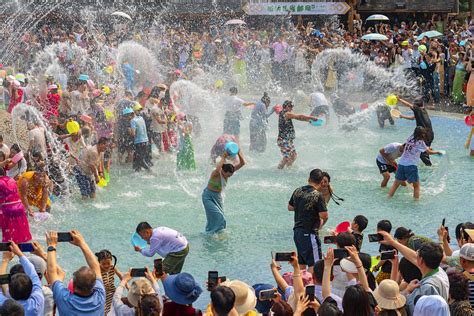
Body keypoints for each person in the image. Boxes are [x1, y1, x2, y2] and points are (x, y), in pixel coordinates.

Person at [378, 231, 449, 315]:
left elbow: (398, 305)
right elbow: (414, 257)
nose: (415, 255)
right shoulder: (440, 272)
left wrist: (407, 291)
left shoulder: (426, 288)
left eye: (417, 254)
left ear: (421, 260)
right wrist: (392, 242)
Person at [46, 230, 106, 315]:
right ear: (94, 285)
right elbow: (96, 267)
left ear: (72, 285)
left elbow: (52, 272)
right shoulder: (100, 297)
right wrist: (82, 243)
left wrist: (52, 245)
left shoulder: (64, 299)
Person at [288, 169, 328, 270]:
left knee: (302, 263)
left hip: (297, 232)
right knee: (314, 265)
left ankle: (302, 285)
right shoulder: (317, 195)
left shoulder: (298, 190)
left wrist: (302, 208)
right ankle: (312, 285)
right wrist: (321, 224)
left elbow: (290, 207)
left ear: (309, 179)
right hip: (309, 233)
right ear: (321, 181)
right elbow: (324, 215)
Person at [388, 127, 442, 199]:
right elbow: (428, 152)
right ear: (422, 134)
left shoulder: (410, 138)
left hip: (401, 164)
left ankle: (388, 198)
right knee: (416, 186)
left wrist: (426, 147)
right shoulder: (420, 143)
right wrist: (437, 152)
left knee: (395, 184)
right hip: (411, 166)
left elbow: (406, 147)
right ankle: (416, 203)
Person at [202, 149, 245, 234]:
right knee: (219, 217)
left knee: (217, 218)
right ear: (223, 171)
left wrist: (238, 152)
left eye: (231, 175)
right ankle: (210, 233)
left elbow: (242, 163)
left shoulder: (229, 170)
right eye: (227, 175)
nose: (228, 177)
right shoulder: (216, 173)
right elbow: (218, 168)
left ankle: (213, 233)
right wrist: (224, 156)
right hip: (208, 197)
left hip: (218, 197)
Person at [0, 241, 44, 315]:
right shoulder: (37, 303)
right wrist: (19, 253)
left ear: (9, 291)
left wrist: (5, 260)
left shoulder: (4, 304)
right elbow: (33, 274)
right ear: (32, 288)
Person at [277, 100, 318, 169]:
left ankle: (287, 168)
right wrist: (310, 118)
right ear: (286, 106)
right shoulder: (286, 113)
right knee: (287, 157)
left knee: (293, 156)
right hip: (283, 140)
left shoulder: (287, 114)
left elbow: (299, 118)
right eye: (290, 106)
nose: (291, 108)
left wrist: (308, 120)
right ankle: (279, 169)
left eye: (292, 107)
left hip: (288, 140)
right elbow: (298, 116)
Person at [398, 97, 434, 166]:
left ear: (416, 105)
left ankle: (429, 165)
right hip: (429, 134)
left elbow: (409, 105)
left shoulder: (417, 109)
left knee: (421, 153)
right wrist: (402, 116)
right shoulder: (423, 110)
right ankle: (429, 158)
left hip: (424, 135)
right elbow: (413, 118)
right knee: (422, 150)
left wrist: (399, 99)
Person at [0, 167, 32, 243]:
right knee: (23, 234)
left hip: (7, 210)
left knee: (8, 237)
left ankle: (9, 251)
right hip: (19, 207)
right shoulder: (12, 180)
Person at [95, 249, 123, 315]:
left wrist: (128, 287)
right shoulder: (97, 271)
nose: (106, 265)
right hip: (102, 295)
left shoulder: (112, 267)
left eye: (108, 263)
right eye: (103, 264)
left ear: (111, 261)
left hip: (112, 293)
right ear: (99, 263)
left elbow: (120, 275)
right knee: (104, 311)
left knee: (116, 310)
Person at [128, 104, 151, 172]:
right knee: (137, 159)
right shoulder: (141, 118)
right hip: (145, 141)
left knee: (140, 160)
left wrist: (130, 130)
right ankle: (137, 171)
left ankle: (150, 171)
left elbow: (133, 134)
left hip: (139, 142)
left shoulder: (133, 121)